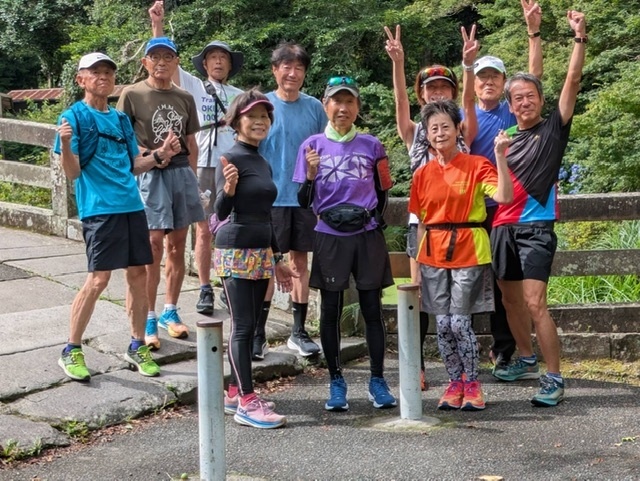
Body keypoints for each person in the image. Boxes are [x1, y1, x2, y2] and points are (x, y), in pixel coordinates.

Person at [53, 53, 177, 380]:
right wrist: (65, 143)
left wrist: (160, 155)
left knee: (138, 274)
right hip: (99, 209)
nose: (103, 77)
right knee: (99, 279)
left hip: (132, 206)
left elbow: (134, 164)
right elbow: (72, 172)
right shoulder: (73, 117)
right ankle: (71, 349)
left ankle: (137, 345)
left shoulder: (121, 120)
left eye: (108, 72)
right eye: (95, 72)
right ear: (81, 79)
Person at [491, 10, 587, 407]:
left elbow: (572, 80)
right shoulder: (505, 138)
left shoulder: (553, 129)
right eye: (518, 98)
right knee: (510, 300)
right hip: (502, 226)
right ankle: (526, 358)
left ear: (542, 101)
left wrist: (578, 37)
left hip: (536, 227)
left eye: (531, 96)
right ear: (510, 105)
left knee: (535, 302)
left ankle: (554, 376)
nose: (525, 101)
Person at [384, 23, 479, 391]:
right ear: (421, 94)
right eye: (430, 87)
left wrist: (468, 66)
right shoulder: (415, 134)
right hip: (422, 225)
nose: (437, 91)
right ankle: (418, 368)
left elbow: (468, 102)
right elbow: (399, 103)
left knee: (459, 303)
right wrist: (398, 62)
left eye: (443, 87)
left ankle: (468, 373)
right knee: (419, 292)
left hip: (461, 228)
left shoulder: (461, 130)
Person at [294, 77, 397, 412]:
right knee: (330, 310)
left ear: (357, 107)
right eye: (336, 102)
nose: (343, 108)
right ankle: (336, 381)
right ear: (325, 105)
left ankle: (377, 380)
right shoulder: (311, 146)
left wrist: (373, 221)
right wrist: (311, 175)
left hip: (366, 235)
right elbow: (302, 201)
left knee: (372, 309)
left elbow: (383, 193)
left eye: (349, 101)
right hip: (329, 235)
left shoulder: (372, 145)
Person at [409, 100, 514, 410]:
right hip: (432, 253)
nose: (439, 133)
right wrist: (416, 270)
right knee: (442, 324)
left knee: (458, 322)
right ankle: (454, 382)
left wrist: (500, 157)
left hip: (469, 249)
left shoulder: (477, 164)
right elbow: (420, 224)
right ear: (426, 135)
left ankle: (473, 383)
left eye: (445, 126)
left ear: (458, 129)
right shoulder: (422, 174)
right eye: (433, 128)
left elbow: (504, 196)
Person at [149, 0, 244, 316]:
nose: (218, 61)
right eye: (213, 57)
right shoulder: (194, 86)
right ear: (204, 64)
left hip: (231, 164)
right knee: (203, 229)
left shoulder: (239, 95)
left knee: (231, 227)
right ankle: (205, 287)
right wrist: (157, 26)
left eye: (223, 58)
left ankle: (229, 283)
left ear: (230, 65)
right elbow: (165, 63)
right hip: (202, 164)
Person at [214, 89, 297, 429]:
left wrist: (278, 257)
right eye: (252, 116)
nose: (260, 121)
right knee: (243, 325)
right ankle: (247, 403)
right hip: (235, 249)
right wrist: (228, 190)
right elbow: (220, 212)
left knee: (253, 326)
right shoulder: (229, 158)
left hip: (261, 250)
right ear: (237, 122)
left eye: (265, 116)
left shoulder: (261, 160)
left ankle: (235, 392)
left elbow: (267, 214)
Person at [468, 0, 543, 373]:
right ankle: (465, 350)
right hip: (473, 210)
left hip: (509, 208)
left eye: (494, 77)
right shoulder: (465, 115)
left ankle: (506, 350)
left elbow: (534, 79)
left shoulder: (512, 109)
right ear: (474, 82)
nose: (488, 82)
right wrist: (467, 63)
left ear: (502, 82)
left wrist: (533, 32)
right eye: (482, 77)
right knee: (471, 280)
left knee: (505, 286)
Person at [117, 37, 204, 350]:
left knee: (177, 245)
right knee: (153, 245)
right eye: (155, 57)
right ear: (145, 62)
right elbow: (123, 140)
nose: (162, 62)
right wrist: (155, 154)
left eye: (168, 56)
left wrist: (194, 182)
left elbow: (191, 143)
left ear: (176, 62)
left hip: (181, 174)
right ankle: (149, 315)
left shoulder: (184, 97)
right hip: (150, 174)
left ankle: (170, 310)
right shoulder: (132, 94)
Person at [255, 42, 327, 361]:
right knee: (267, 264)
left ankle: (298, 332)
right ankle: (259, 333)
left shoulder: (315, 108)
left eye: (299, 68)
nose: (293, 73)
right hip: (269, 197)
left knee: (300, 263)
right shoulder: (262, 106)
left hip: (304, 197)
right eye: (287, 67)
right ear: (275, 70)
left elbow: (326, 149)